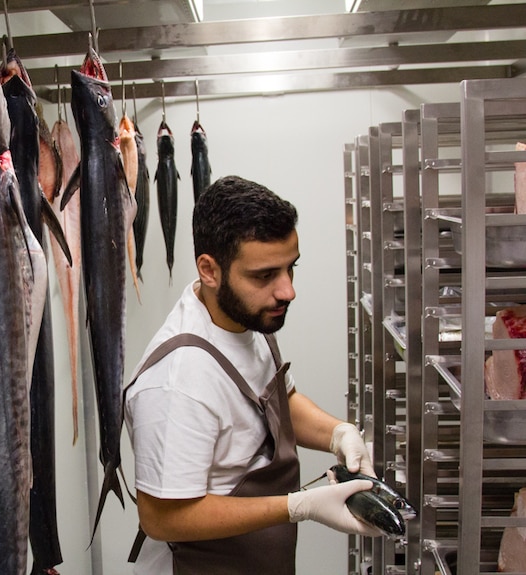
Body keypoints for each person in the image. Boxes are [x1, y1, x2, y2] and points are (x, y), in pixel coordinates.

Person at [123, 175, 383, 575]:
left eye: (289, 268)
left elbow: (279, 401)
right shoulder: (179, 381)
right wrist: (300, 506)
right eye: (265, 275)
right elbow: (161, 518)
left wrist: (339, 434)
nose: (287, 291)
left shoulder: (246, 318)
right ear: (210, 270)